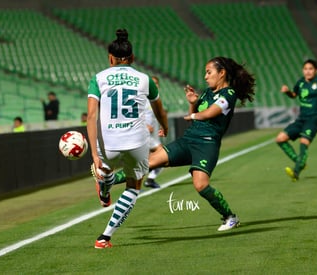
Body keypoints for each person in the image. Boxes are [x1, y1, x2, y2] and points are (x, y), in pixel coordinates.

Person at [148, 56, 255, 231]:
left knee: (201, 185)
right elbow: (195, 118)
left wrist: (194, 114)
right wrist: (192, 104)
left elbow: (211, 112)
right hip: (189, 139)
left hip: (207, 144)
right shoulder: (206, 92)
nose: (205, 76)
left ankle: (230, 217)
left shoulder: (229, 94)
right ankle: (107, 179)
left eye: (209, 72)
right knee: (150, 162)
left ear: (222, 73)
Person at [87, 29, 168, 249]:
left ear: (110, 58)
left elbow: (92, 116)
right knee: (133, 187)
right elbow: (159, 110)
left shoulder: (98, 78)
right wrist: (166, 127)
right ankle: (104, 237)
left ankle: (105, 184)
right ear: (132, 58)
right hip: (136, 143)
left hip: (108, 145)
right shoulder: (144, 79)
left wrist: (94, 154)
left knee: (105, 169)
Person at [275, 59, 317, 181]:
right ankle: (300, 162)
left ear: (316, 70)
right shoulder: (300, 82)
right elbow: (294, 95)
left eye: (310, 69)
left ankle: (295, 173)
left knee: (303, 142)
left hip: (314, 119)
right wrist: (287, 92)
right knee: (280, 139)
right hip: (301, 119)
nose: (308, 71)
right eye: (305, 69)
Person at [143, 76, 165, 188]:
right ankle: (149, 179)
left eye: (156, 83)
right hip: (143, 135)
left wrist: (161, 125)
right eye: (153, 83)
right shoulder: (142, 99)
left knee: (153, 159)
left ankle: (149, 179)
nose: (155, 85)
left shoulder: (155, 100)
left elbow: (157, 115)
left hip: (152, 135)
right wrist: (144, 125)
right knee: (163, 155)